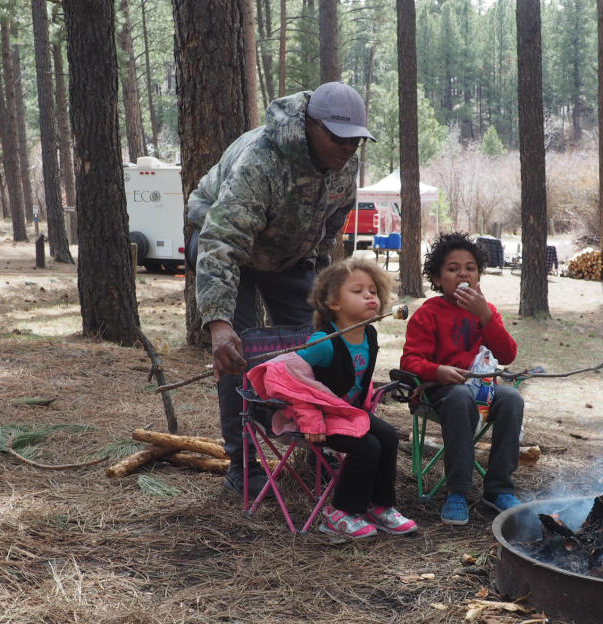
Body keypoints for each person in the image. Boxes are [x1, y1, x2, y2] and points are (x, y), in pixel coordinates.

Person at [187, 81, 374, 496]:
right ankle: (243, 463)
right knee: (239, 353)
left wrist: (328, 298)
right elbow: (222, 242)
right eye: (339, 138)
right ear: (311, 126)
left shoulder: (344, 167)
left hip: (288, 254)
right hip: (225, 241)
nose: (348, 149)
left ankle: (317, 445)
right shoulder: (261, 161)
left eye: (356, 141)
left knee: (317, 345)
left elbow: (327, 236)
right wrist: (219, 325)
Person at [249, 259, 417, 543]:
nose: (369, 296)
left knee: (387, 435)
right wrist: (308, 415)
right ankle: (340, 514)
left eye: (373, 291)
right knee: (367, 446)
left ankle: (379, 506)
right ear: (333, 303)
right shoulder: (324, 342)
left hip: (345, 413)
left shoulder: (369, 334)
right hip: (311, 416)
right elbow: (283, 377)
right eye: (358, 290)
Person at [399, 232, 525, 525]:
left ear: (479, 274)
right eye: (453, 268)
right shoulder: (429, 313)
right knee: (459, 396)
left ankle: (498, 489)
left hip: (482, 390)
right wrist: (438, 370)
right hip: (440, 391)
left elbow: (506, 355)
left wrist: (485, 317)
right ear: (438, 278)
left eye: (470, 267)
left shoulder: (487, 311)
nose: (463, 273)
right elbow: (410, 361)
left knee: (511, 399)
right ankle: (457, 490)